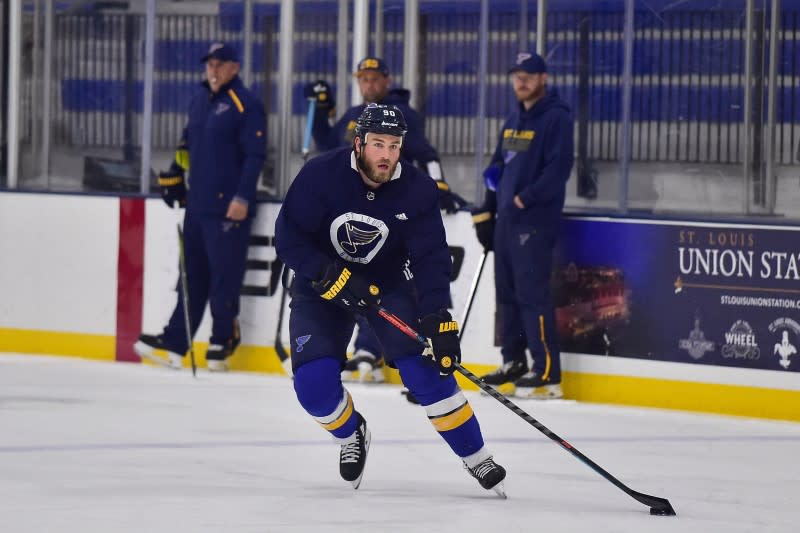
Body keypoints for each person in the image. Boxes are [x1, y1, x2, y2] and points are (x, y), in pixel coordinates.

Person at [274, 103, 506, 495]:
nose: (386, 155)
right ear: (359, 142)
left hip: (388, 288)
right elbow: (287, 236)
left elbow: (431, 258)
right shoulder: (321, 174)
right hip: (321, 286)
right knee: (312, 387)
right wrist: (326, 273)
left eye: (394, 145)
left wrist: (439, 319)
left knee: (426, 373)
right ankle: (351, 434)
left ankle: (477, 457)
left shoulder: (417, 189)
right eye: (378, 144)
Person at [303, 57, 466, 384]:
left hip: (387, 212)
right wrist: (321, 112)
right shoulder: (352, 116)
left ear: (386, 80)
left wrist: (441, 184)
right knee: (349, 281)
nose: (368, 84)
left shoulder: (401, 116)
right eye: (363, 79)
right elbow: (329, 148)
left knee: (380, 282)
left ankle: (370, 350)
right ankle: (360, 349)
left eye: (374, 78)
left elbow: (426, 153)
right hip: (346, 212)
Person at [134, 42, 267, 372]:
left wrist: (243, 197)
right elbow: (185, 145)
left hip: (228, 207)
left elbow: (255, 155)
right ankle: (177, 341)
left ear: (234, 67)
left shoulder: (245, 103)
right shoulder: (198, 101)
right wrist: (175, 174)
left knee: (224, 276)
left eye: (220, 63)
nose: (213, 69)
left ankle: (222, 339)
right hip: (197, 203)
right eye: (210, 63)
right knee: (190, 276)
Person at [472, 52, 574, 400]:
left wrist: (523, 199)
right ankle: (513, 362)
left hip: (533, 221)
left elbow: (558, 171)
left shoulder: (556, 118)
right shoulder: (515, 116)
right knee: (508, 295)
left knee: (532, 295)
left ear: (543, 78)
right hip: (505, 221)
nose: (521, 81)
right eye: (516, 75)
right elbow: (496, 167)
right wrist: (486, 210)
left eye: (529, 75)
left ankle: (546, 372)